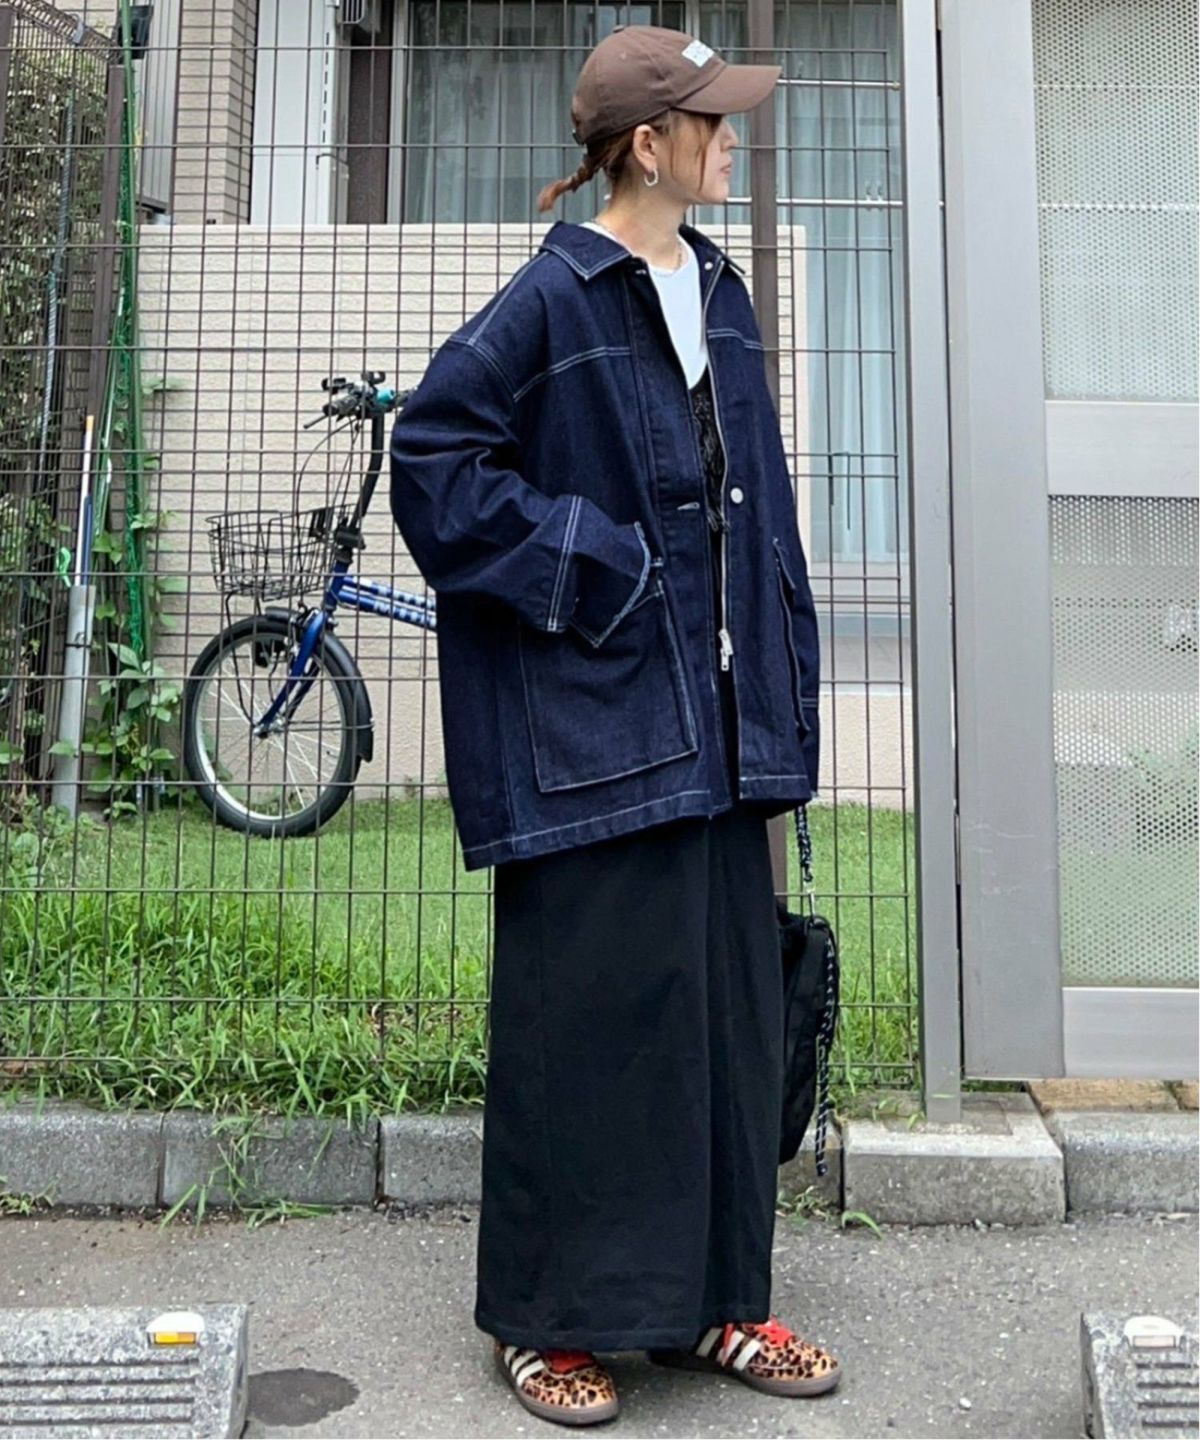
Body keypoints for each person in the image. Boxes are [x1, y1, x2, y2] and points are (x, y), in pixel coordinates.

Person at [389, 23, 837, 1428]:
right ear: (648, 145)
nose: (732, 138)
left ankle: (716, 1302)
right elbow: (435, 462)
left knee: (721, 1025)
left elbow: (756, 506)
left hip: (719, 733)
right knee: (586, 1028)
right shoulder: (552, 299)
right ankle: (545, 1323)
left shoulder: (723, 290)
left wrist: (782, 685)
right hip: (593, 733)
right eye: (711, 121)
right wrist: (596, 566)